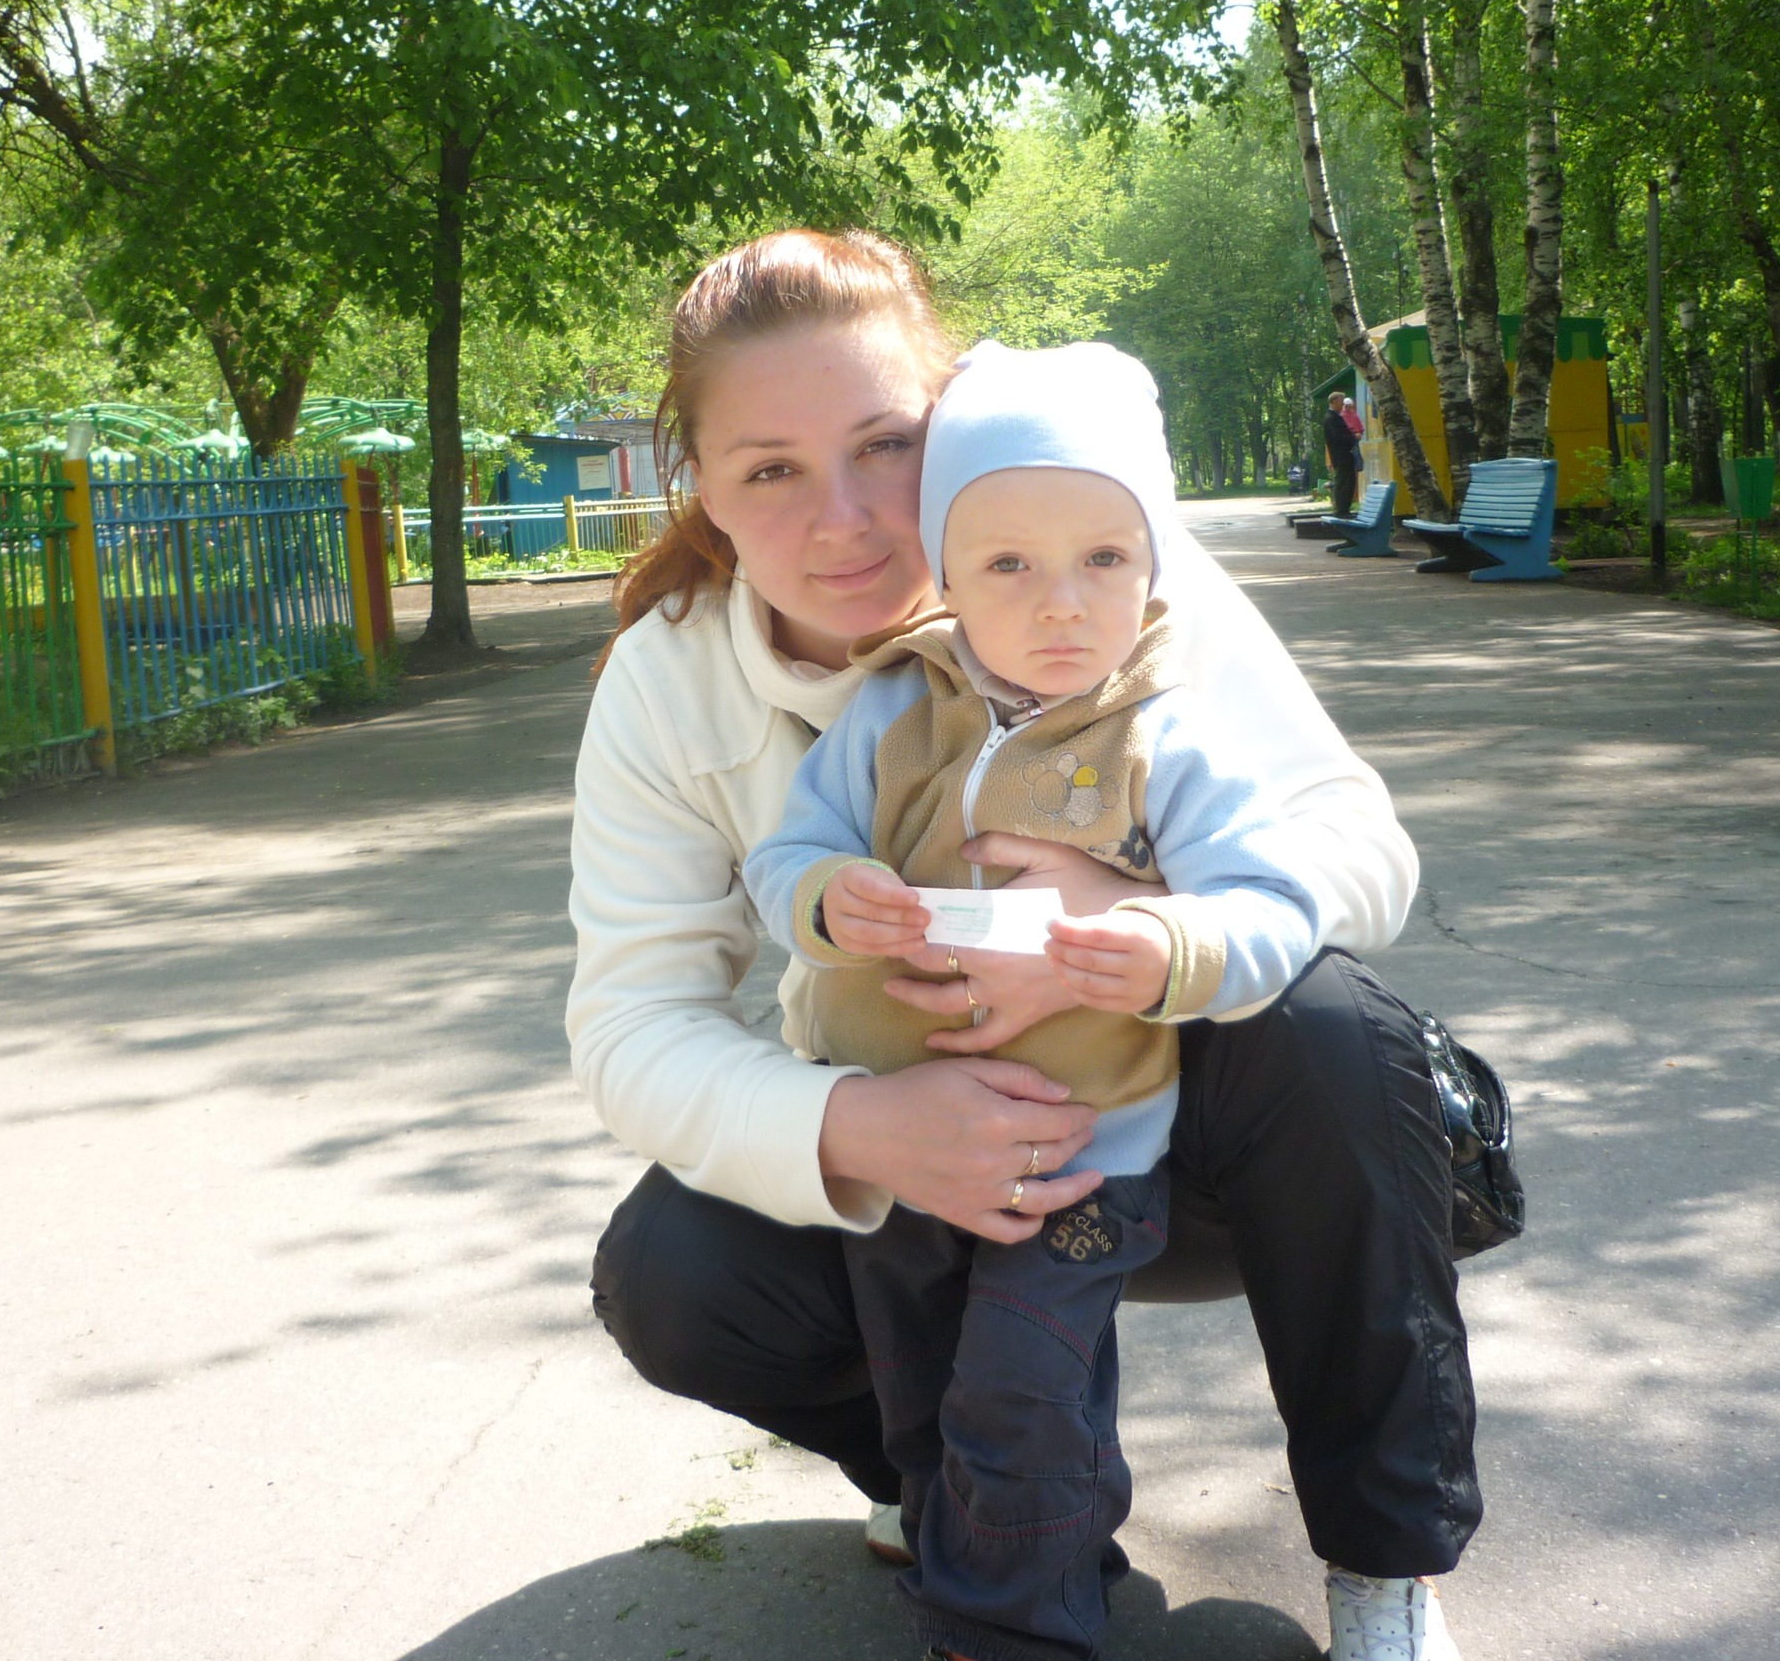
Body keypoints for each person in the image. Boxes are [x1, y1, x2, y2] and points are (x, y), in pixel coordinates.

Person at [569, 230, 1478, 1661]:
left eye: (883, 446)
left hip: (1160, 1137)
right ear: (705, 489)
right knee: (673, 1277)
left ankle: (1382, 1556)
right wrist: (858, 1126)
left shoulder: (1091, 562)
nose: (847, 521)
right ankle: (947, 1493)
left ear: (944, 438)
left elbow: (1361, 846)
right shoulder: (669, 675)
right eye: (771, 469)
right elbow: (631, 1021)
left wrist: (1135, 917)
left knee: (1334, 1032)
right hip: (912, 1155)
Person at [745, 346, 1326, 1661]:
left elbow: (1274, 909)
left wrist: (1160, 940)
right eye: (1007, 562)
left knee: (1017, 1397)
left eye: (1103, 558)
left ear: (1154, 566)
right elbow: (785, 853)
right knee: (920, 1394)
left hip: (1082, 1155)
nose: (1061, 602)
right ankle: (1014, 1552)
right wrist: (829, 896)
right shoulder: (894, 707)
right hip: (905, 1139)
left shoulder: (1167, 734)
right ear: (945, 574)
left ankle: (1008, 1630)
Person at [1324, 392, 1364, 520]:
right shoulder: (1331, 418)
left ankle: (1345, 509)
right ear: (1333, 401)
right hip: (1341, 455)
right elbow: (1337, 438)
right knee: (1343, 483)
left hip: (1345, 455)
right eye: (1341, 401)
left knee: (1349, 482)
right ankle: (1341, 510)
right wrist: (1353, 437)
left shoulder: (1335, 417)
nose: (1342, 404)